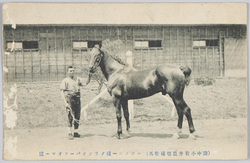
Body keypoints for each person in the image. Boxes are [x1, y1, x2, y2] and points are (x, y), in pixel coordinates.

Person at [60, 66, 84, 140]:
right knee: (70, 115)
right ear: (67, 72)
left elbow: (83, 84)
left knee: (77, 115)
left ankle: (75, 132)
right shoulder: (65, 80)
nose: (72, 72)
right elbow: (62, 91)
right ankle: (70, 132)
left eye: (73, 71)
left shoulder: (77, 79)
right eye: (70, 71)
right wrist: (65, 102)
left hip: (77, 98)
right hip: (70, 99)